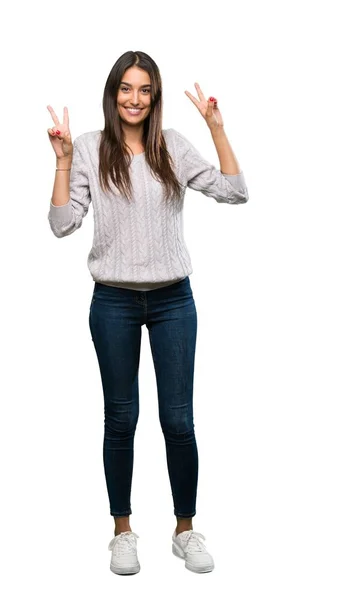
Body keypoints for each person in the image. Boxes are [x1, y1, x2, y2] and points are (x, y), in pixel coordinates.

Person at [46, 50, 248, 576]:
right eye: (125, 89)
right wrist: (63, 160)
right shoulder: (90, 148)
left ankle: (185, 531)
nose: (134, 99)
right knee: (121, 418)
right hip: (112, 300)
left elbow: (234, 191)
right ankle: (123, 531)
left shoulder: (169, 147)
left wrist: (217, 128)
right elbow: (62, 224)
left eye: (144, 90)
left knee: (178, 420)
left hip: (172, 301)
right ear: (113, 93)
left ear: (154, 96)